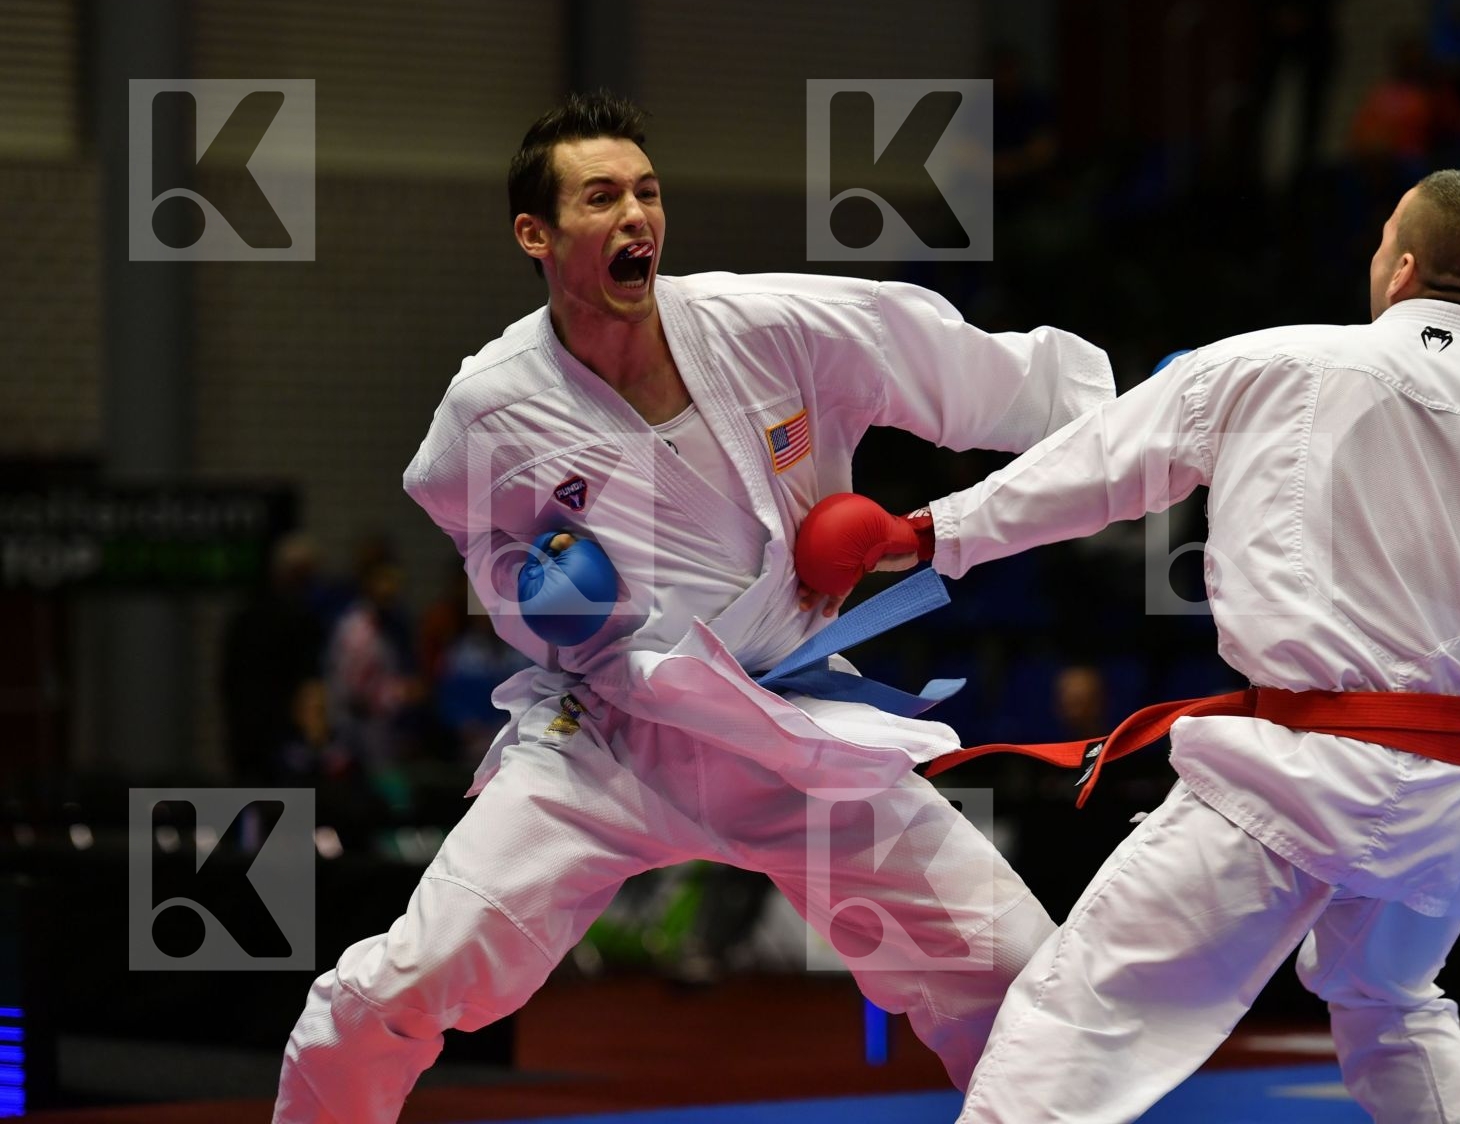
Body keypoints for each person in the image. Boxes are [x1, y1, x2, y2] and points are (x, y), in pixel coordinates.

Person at [272, 89, 1113, 1121]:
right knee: (393, 990)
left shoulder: (771, 326)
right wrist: (538, 610)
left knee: (1020, 982)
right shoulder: (489, 407)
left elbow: (972, 372)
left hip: (793, 723)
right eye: (601, 198)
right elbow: (479, 540)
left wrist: (1144, 418)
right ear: (535, 234)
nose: (636, 215)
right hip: (609, 739)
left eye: (648, 191)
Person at [798, 170, 1460, 1122]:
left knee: (1086, 1013)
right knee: (1391, 1006)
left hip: (1295, 779)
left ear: (1402, 268)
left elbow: (1098, 465)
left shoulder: (1279, 362)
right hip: (1446, 799)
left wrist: (927, 533)